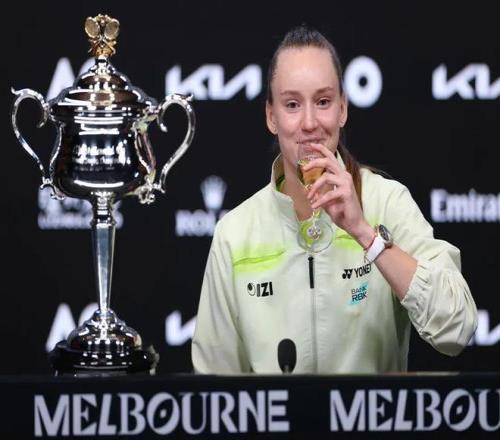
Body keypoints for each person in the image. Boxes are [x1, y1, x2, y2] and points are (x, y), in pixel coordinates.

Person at [191, 25, 477, 374]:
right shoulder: (234, 233)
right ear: (271, 117)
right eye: (292, 104)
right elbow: (214, 387)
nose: (310, 122)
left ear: (342, 109)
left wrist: (366, 235)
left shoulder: (387, 202)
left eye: (323, 102)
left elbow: (456, 328)